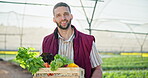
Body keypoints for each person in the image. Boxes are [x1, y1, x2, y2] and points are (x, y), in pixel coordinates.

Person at [42, 2, 103, 78]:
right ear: (54, 19)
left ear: (71, 16)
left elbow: (97, 69)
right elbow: (43, 68)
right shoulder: (46, 42)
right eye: (58, 15)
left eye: (66, 14)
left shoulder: (87, 41)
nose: (63, 18)